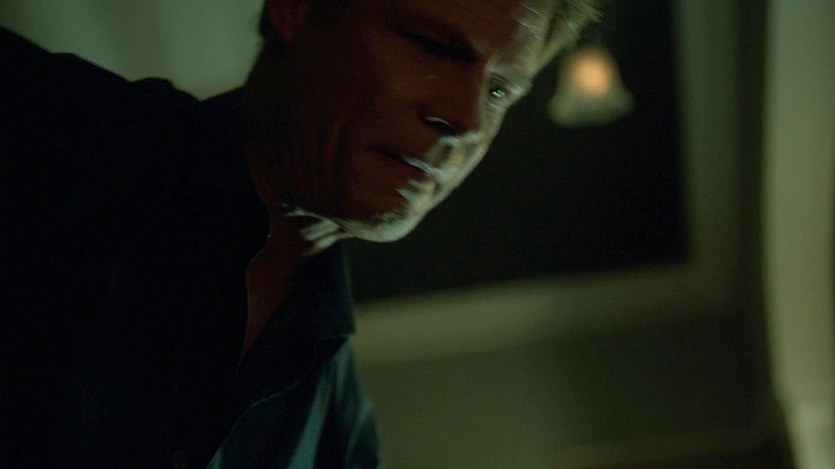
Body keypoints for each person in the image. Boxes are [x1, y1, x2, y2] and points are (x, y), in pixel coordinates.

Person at [2, 0, 598, 467]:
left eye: (499, 90)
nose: (466, 119)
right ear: (296, 8)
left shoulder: (341, 433)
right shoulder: (49, 127)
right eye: (431, 46)